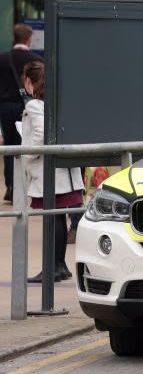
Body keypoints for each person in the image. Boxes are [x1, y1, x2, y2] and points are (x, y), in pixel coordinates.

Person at [22, 62, 84, 283]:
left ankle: (52, 268)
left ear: (30, 81)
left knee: (53, 218)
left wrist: (26, 155)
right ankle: (60, 265)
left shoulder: (35, 105)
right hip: (65, 171)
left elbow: (39, 134)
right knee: (57, 217)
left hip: (50, 172)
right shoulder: (59, 100)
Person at [0, 24, 43, 203]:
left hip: (5, 106)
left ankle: (11, 185)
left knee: (10, 147)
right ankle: (25, 186)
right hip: (27, 105)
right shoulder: (36, 60)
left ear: (14, 38)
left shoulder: (2, 58)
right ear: (29, 39)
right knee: (26, 145)